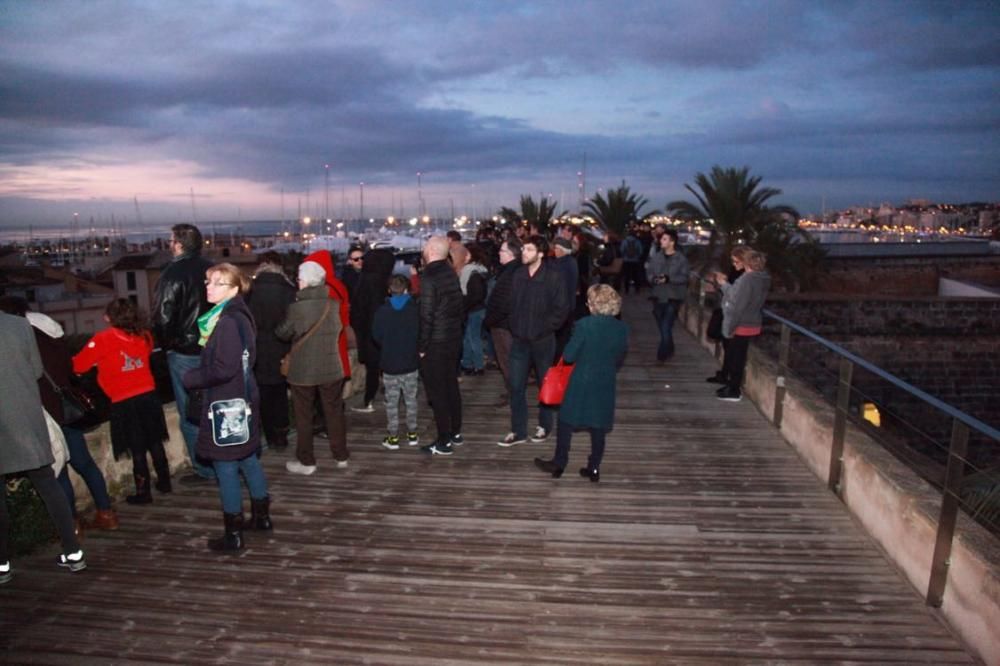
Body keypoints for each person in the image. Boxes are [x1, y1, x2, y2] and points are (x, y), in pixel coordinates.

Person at [0, 297, 118, 533]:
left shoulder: (20, 337)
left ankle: (72, 526)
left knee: (59, 471)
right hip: (67, 411)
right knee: (85, 464)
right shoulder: (52, 334)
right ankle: (107, 514)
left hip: (44, 413)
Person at [182, 263, 271, 552]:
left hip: (226, 404)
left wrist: (191, 377)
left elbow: (223, 368)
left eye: (217, 283)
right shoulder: (238, 314)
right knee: (247, 458)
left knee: (225, 466)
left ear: (234, 288)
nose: (208, 287)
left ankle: (233, 535)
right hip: (241, 399)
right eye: (208, 281)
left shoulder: (229, 321)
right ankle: (261, 518)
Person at [1, 311, 86, 581]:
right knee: (49, 485)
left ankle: (2, 564)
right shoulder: (19, 325)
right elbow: (36, 370)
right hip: (27, 418)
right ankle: (73, 552)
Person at [73, 299, 171, 505]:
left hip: (124, 399)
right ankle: (164, 482)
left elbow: (79, 365)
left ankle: (143, 493)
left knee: (136, 447)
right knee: (154, 440)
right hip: (149, 395)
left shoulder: (103, 339)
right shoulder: (144, 336)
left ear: (110, 317)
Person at [534, 284, 628, 482]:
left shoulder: (584, 325)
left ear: (593, 305)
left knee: (566, 421)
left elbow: (569, 356)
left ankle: (559, 464)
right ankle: (594, 468)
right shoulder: (621, 328)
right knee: (598, 426)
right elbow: (619, 357)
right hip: (605, 381)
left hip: (581, 380)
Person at [151, 223, 215, 482]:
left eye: (170, 240)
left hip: (185, 353)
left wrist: (168, 345)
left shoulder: (171, 274)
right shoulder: (210, 270)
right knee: (213, 406)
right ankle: (224, 461)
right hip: (212, 348)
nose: (168, 244)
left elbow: (162, 318)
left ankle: (204, 469)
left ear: (178, 244)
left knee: (190, 414)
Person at [277, 261, 349, 474]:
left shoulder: (296, 308)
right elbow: (338, 329)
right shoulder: (332, 304)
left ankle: (307, 461)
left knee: (303, 416)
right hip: (331, 367)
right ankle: (341, 456)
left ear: (306, 282)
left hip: (303, 370)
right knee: (334, 413)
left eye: (299, 279)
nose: (297, 282)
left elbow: (283, 332)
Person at [498, 235, 570, 448]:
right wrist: (515, 325)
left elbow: (562, 309)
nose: (524, 253)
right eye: (523, 250)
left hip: (543, 340)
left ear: (540, 253)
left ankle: (545, 426)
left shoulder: (553, 277)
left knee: (544, 384)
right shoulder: (518, 274)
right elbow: (510, 304)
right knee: (515, 385)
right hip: (519, 339)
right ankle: (518, 430)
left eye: (528, 250)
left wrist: (544, 328)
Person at [417, 236, 464, 455]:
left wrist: (422, 346)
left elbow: (426, 314)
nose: (423, 249)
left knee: (437, 392)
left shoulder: (429, 276)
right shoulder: (449, 272)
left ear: (432, 250)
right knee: (450, 385)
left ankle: (443, 441)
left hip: (436, 341)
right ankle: (455, 431)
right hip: (452, 338)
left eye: (425, 246)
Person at [246, 252, 296, 450]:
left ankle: (269, 434)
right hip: (282, 347)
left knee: (263, 395)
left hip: (258, 348)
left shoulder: (251, 290)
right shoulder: (289, 290)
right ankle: (282, 433)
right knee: (280, 393)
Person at [716, 249, 771, 402]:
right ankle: (732, 387)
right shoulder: (762, 278)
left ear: (746, 262)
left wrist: (729, 328)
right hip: (751, 321)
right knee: (738, 356)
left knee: (736, 358)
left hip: (741, 323)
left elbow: (738, 305)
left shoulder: (747, 279)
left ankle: (734, 390)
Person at [372, 274, 420, 449]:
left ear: (389, 290)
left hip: (390, 363)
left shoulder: (382, 311)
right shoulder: (414, 310)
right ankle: (413, 433)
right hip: (410, 362)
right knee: (411, 399)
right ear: (407, 289)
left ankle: (393, 437)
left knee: (391, 402)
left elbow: (376, 336)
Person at [350, 248, 395, 413]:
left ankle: (368, 400)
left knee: (373, 368)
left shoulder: (366, 280)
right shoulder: (380, 280)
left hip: (368, 332)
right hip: (378, 331)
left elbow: (361, 310)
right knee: (382, 368)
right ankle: (388, 397)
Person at [484, 236, 522, 407]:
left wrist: (490, 320)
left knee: (507, 361)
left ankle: (513, 394)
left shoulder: (510, 273)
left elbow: (504, 302)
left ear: (512, 254)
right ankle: (513, 391)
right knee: (508, 361)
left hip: (503, 325)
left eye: (502, 251)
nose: (499, 253)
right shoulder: (512, 270)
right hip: (504, 323)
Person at [645, 228, 690, 364]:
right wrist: (654, 279)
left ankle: (661, 355)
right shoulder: (657, 257)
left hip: (674, 296)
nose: (661, 241)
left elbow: (685, 277)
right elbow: (649, 272)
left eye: (664, 239)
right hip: (658, 296)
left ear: (672, 242)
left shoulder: (681, 259)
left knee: (666, 326)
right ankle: (670, 348)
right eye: (661, 239)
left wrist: (669, 279)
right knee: (663, 326)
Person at [706, 246, 748, 385]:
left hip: (735, 316)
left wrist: (723, 283)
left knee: (733, 350)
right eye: (733, 261)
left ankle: (730, 380)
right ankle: (725, 375)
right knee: (727, 346)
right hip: (726, 311)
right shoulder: (736, 272)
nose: (734, 264)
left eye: (736, 261)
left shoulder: (746, 277)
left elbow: (734, 295)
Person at [453, 243, 489, 376]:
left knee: (473, 338)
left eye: (467, 253)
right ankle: (467, 363)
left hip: (472, 309)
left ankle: (478, 366)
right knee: (470, 337)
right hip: (480, 309)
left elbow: (465, 292)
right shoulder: (482, 269)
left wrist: (464, 307)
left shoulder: (468, 270)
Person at [550, 236, 578, 358]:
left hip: (562, 306)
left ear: (561, 250)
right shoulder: (571, 261)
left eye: (556, 248)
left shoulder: (561, 265)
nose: (554, 251)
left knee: (560, 338)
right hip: (569, 304)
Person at [620, 226, 644, 294]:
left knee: (627, 276)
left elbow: (622, 250)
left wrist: (624, 256)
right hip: (635, 261)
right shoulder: (637, 241)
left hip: (626, 260)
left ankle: (626, 290)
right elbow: (641, 251)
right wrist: (637, 257)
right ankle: (637, 289)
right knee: (636, 275)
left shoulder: (624, 241)